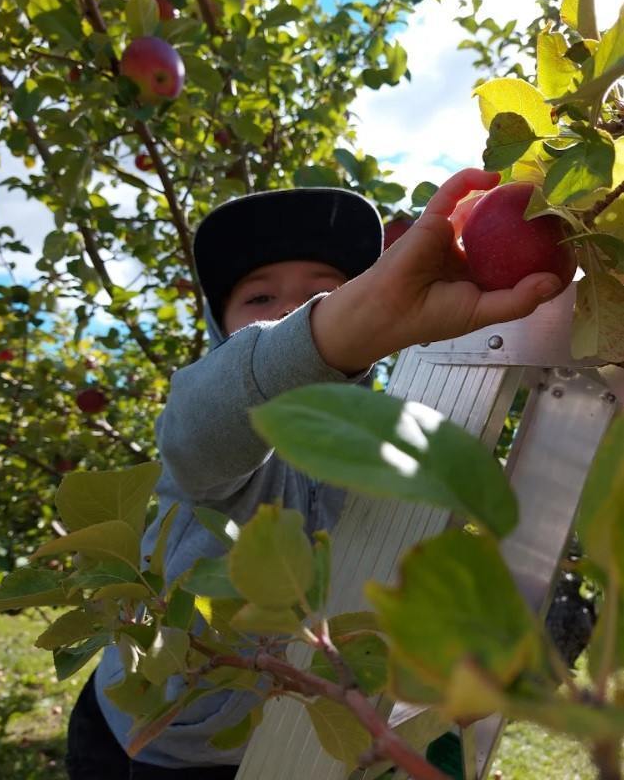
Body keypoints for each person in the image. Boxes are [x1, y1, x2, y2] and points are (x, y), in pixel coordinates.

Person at [65, 169, 565, 778]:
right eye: (258, 300)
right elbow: (198, 421)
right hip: (138, 733)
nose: (288, 314)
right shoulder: (211, 445)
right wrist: (334, 330)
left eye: (320, 295)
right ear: (220, 331)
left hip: (269, 743)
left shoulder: (383, 448)